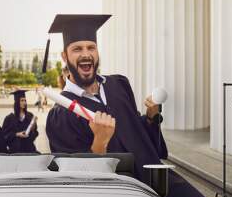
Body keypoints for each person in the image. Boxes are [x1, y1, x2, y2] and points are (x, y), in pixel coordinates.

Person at [44, 14, 167, 184]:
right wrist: (100, 142)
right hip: (123, 193)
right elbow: (75, 179)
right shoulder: (61, 115)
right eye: (77, 49)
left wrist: (152, 117)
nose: (86, 54)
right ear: (64, 56)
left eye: (91, 47)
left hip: (158, 179)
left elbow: (137, 133)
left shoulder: (119, 84)